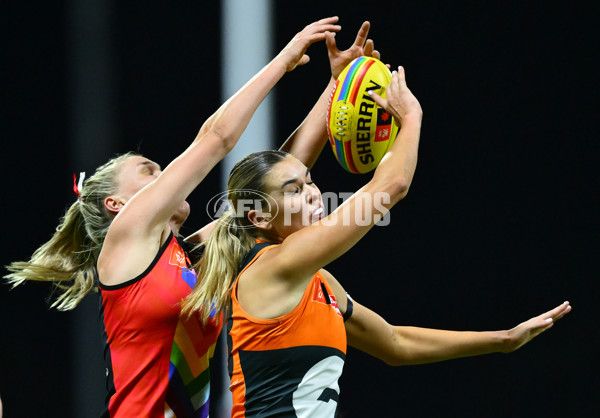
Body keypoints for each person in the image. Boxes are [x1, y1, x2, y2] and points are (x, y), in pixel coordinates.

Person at [4, 16, 381, 418]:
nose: (165, 174)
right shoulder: (125, 242)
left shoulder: (191, 256)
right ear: (117, 205)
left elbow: (275, 181)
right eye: (149, 172)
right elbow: (216, 139)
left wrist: (339, 90)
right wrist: (284, 59)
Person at [182, 65, 572, 417]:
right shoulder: (274, 267)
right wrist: (411, 117)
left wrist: (503, 340)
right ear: (260, 217)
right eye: (295, 190)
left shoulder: (314, 279)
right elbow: (392, 186)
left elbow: (394, 342)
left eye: (311, 181)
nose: (315, 193)